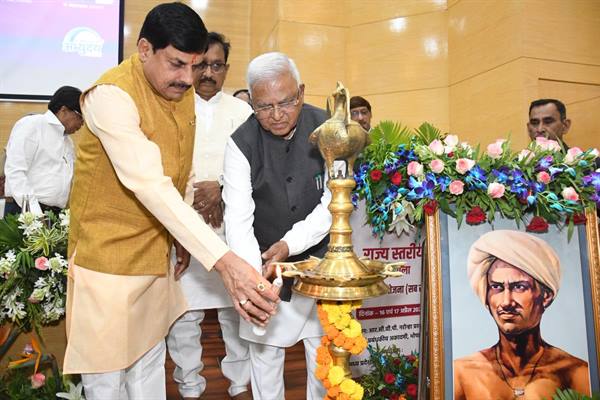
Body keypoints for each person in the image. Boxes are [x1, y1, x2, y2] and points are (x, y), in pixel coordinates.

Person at [63, 4, 279, 399]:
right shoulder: (110, 96)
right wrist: (224, 261)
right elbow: (149, 183)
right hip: (106, 261)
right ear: (145, 49)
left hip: (156, 256)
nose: (187, 78)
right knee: (107, 378)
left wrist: (179, 238)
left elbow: (181, 168)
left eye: (194, 66)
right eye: (177, 64)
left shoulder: (179, 92)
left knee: (148, 369)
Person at [223, 51, 331, 400]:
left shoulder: (330, 129)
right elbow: (238, 218)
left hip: (320, 259)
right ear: (251, 103)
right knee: (265, 353)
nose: (277, 114)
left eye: (286, 102)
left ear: (301, 92)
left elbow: (335, 203)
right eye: (264, 107)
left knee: (323, 351)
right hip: (263, 262)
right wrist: (253, 279)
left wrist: (290, 244)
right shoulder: (240, 143)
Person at [166, 31, 253, 400]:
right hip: (183, 227)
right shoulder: (172, 107)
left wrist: (220, 189)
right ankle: (189, 384)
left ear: (226, 70)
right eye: (201, 64)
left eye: (216, 65)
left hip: (230, 228)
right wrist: (194, 200)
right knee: (185, 313)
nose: (207, 73)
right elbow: (162, 166)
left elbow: (257, 168)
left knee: (236, 308)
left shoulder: (243, 113)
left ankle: (240, 382)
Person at [454, 230, 590, 400]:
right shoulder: (462, 374)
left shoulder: (576, 373)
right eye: (496, 287)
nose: (506, 302)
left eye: (519, 287)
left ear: (546, 296)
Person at [4, 86, 83, 215]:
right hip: (25, 209)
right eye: (80, 117)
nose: (82, 124)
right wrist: (36, 214)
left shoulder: (68, 141)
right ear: (63, 110)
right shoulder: (32, 125)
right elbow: (15, 172)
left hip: (54, 213)